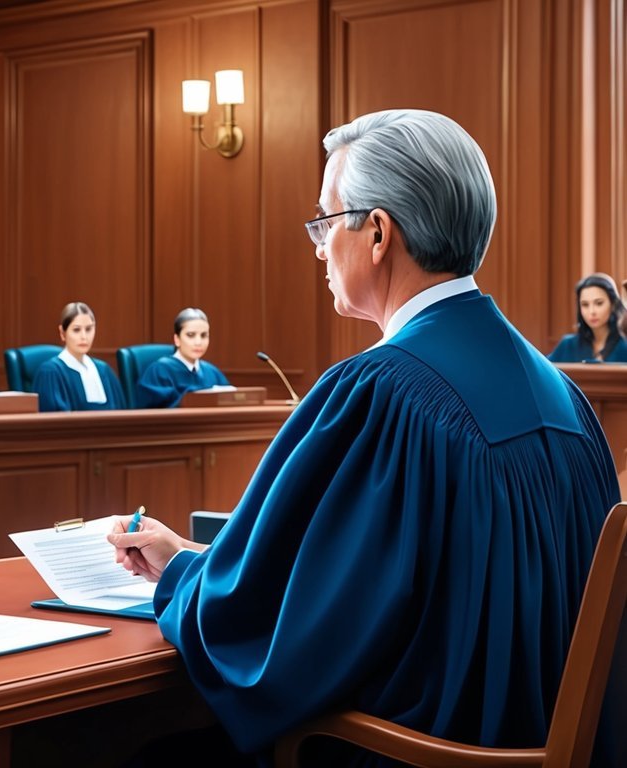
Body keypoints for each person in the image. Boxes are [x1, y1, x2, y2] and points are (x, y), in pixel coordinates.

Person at [107, 110, 621, 765]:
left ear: (376, 232)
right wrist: (187, 555)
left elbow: (281, 638)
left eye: (324, 222)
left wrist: (181, 576)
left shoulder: (383, 392)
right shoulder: (565, 397)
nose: (319, 247)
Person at [32, 301, 125, 412]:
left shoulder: (104, 370)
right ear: (62, 333)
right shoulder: (50, 372)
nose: (84, 336)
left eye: (89, 329)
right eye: (76, 330)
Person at [134, 308, 230, 408]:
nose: (198, 342)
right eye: (191, 335)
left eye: (204, 335)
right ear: (177, 339)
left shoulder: (213, 372)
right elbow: (151, 415)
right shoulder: (159, 371)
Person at [547, 273, 627, 363]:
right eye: (585, 305)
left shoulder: (624, 347)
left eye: (599, 303)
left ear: (613, 304)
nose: (591, 311)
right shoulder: (567, 345)